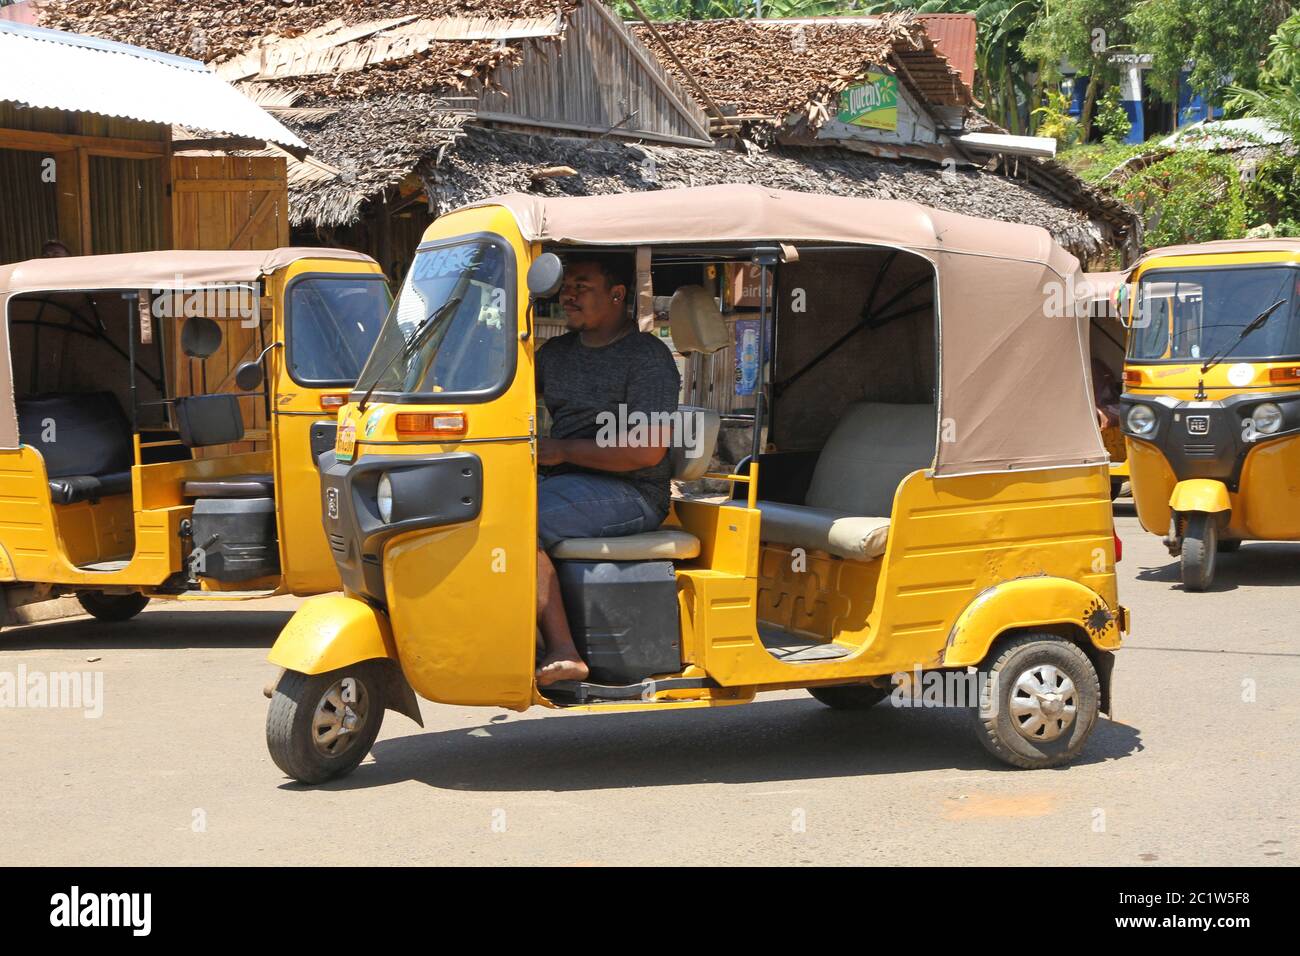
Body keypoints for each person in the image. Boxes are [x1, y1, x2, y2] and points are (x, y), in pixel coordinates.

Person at [534, 253, 680, 686]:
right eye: (566, 285)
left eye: (583, 285)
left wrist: (560, 451)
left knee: (517, 519)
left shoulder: (647, 358)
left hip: (632, 491)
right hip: (565, 482)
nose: (569, 294)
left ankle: (564, 651)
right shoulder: (555, 354)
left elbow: (647, 452)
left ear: (617, 295)